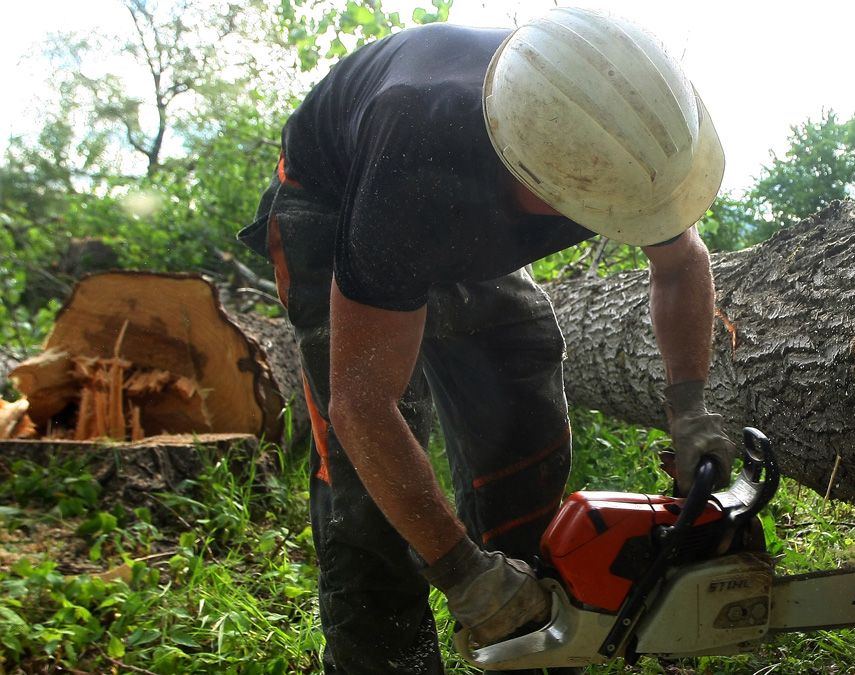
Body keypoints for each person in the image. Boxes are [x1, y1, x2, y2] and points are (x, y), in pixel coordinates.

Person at [238, 7, 736, 674]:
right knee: (369, 497)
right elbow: (362, 404)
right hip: (334, 202)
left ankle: (530, 627)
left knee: (521, 389)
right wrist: (460, 570)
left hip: (458, 195)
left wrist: (689, 406)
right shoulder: (414, 156)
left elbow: (681, 262)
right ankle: (387, 656)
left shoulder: (625, 133)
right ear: (527, 167)